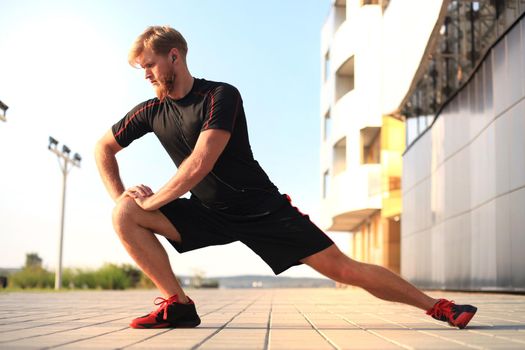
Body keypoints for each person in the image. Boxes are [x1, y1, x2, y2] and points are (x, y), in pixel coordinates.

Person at [95, 26, 477, 330]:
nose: (145, 74)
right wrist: (122, 197)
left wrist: (152, 200)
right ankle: (178, 306)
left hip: (261, 207)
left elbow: (199, 163)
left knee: (343, 268)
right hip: (208, 211)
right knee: (124, 215)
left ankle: (439, 307)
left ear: (173, 56)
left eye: (149, 64)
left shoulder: (219, 96)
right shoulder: (149, 111)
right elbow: (104, 148)